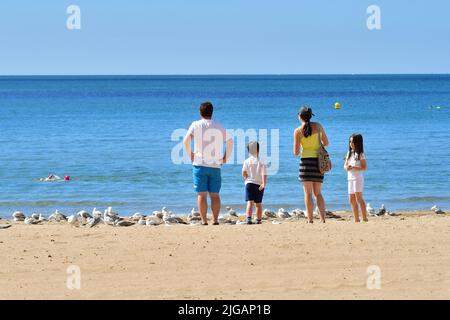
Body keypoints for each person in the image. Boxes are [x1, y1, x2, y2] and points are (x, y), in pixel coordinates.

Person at [183, 101, 234, 225]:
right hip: (215, 165)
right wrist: (225, 158)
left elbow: (185, 141)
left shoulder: (195, 125)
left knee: (201, 194)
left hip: (199, 164)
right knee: (215, 195)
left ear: (200, 112)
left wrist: (190, 154)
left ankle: (204, 220)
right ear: (212, 112)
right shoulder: (219, 126)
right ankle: (215, 220)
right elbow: (230, 142)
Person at [293, 107, 329, 223]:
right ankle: (323, 219)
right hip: (318, 162)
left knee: (307, 193)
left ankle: (310, 219)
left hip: (305, 163)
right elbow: (326, 143)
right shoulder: (318, 126)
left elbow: (296, 152)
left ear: (300, 117)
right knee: (318, 193)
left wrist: (305, 145)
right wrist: (317, 144)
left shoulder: (298, 131)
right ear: (310, 116)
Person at [344, 134, 368, 222]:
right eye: (350, 142)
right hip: (350, 178)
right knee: (351, 199)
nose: (351, 144)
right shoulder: (349, 153)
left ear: (358, 143)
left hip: (358, 178)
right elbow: (345, 166)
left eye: (353, 142)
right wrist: (347, 167)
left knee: (359, 198)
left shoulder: (360, 154)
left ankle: (364, 218)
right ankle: (356, 219)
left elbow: (364, 167)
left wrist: (354, 167)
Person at [242, 141, 267, 224]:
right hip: (259, 184)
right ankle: (258, 220)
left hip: (249, 184)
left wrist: (246, 177)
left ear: (248, 151)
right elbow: (264, 173)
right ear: (258, 150)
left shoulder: (247, 161)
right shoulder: (262, 161)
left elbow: (243, 173)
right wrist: (264, 183)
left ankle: (248, 219)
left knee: (250, 202)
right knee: (258, 204)